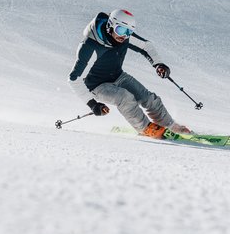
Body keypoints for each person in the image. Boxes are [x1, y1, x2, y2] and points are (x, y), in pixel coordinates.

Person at [68, 8, 191, 138]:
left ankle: (169, 125)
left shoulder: (124, 37)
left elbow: (146, 46)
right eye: (120, 30)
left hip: (118, 76)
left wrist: (158, 64)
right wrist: (93, 104)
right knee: (125, 98)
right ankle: (146, 129)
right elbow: (74, 79)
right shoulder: (90, 46)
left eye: (129, 32)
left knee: (149, 98)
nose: (124, 36)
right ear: (110, 25)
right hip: (96, 86)